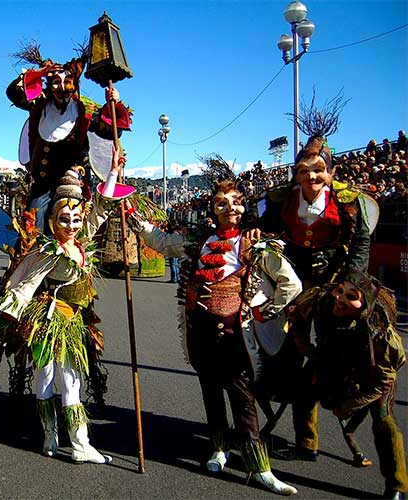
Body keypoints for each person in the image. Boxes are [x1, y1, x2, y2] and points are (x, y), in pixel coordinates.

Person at [129, 173, 301, 494]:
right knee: (210, 391)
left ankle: (259, 466)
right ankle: (218, 449)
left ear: (244, 207)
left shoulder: (255, 244)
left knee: (242, 398)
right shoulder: (200, 242)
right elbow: (162, 242)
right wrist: (134, 218)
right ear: (213, 209)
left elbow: (291, 283)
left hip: (235, 337)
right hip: (201, 333)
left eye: (236, 202)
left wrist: (264, 312)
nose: (230, 208)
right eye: (222, 203)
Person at [0, 145, 134, 464]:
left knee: (70, 382)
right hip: (46, 324)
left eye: (75, 218)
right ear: (53, 219)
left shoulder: (81, 240)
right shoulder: (50, 251)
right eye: (64, 219)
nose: (72, 225)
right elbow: (24, 286)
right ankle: (50, 434)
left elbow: (100, 209)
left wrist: (113, 170)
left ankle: (79, 443)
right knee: (47, 379)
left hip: (71, 324)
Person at [257, 97, 374, 462]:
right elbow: (267, 233)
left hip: (334, 282)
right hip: (292, 282)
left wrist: (351, 282)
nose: (312, 176)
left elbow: (361, 242)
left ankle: (355, 404)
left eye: (319, 170)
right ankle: (305, 438)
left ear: (331, 173)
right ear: (296, 173)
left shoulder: (350, 202)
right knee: (291, 356)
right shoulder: (279, 201)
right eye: (305, 170)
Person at [287, 272, 406, 500]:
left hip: (372, 374)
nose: (340, 298)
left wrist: (351, 405)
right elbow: (298, 320)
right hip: (333, 359)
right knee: (304, 387)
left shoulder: (378, 329)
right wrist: (310, 353)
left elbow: (385, 380)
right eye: (340, 290)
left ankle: (397, 484)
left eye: (351, 296)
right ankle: (306, 446)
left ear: (364, 305)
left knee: (384, 421)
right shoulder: (321, 299)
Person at [7, 46, 130, 230]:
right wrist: (39, 73)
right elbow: (13, 93)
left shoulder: (84, 112)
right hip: (41, 183)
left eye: (68, 83)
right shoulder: (39, 106)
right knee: (32, 228)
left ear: (75, 85)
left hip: (69, 182)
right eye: (56, 82)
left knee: (65, 227)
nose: (62, 88)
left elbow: (111, 129)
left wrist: (115, 102)